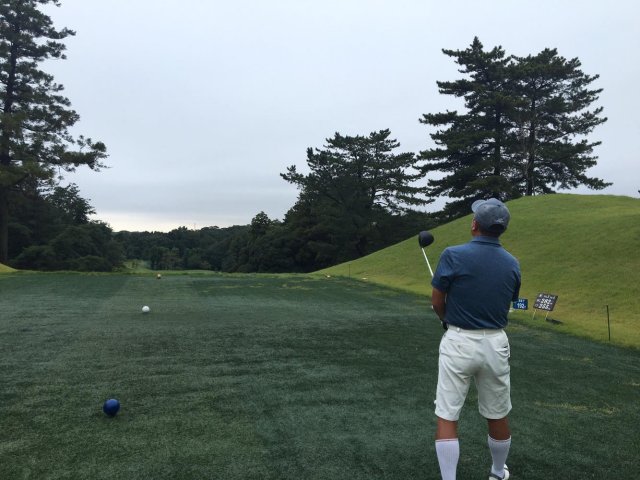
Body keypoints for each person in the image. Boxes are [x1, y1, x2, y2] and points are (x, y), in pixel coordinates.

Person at [430, 198, 521, 480]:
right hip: (495, 343)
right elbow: (508, 300)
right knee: (497, 412)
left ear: (474, 225)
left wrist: (446, 319)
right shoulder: (512, 263)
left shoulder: (452, 254)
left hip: (458, 340)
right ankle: (497, 472)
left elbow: (437, 302)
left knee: (448, 413)